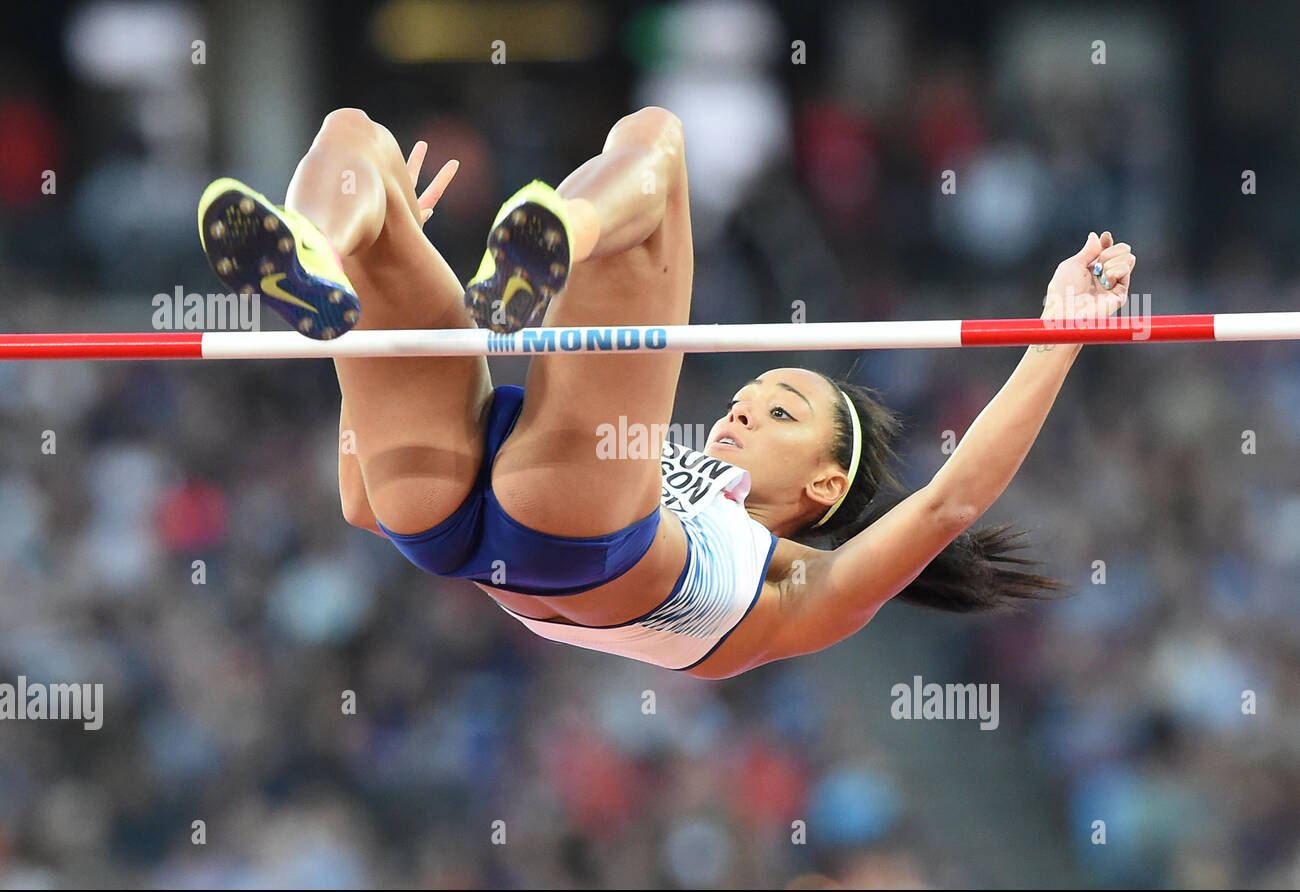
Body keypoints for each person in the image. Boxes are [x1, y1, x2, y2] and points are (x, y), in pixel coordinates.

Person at [197, 106, 1137, 679]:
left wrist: (1059, 338)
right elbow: (362, 505)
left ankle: (558, 227)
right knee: (352, 139)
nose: (739, 408)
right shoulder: (674, 466)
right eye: (757, 393)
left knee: (657, 137)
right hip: (449, 515)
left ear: (822, 488)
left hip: (576, 530)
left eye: (780, 413)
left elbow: (951, 500)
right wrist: (374, 299)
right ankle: (321, 246)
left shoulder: (795, 583)